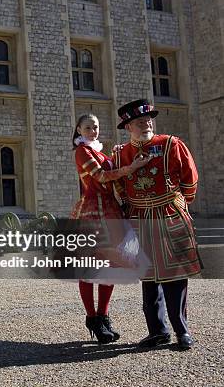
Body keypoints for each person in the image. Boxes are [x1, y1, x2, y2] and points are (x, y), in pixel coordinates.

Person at [112, 99, 201, 351]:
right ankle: (157, 331)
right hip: (139, 218)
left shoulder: (171, 144)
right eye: (140, 122)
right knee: (149, 278)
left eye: (149, 120)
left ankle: (182, 330)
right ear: (128, 127)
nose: (147, 123)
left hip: (169, 214)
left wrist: (178, 202)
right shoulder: (120, 153)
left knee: (175, 275)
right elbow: (118, 185)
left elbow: (189, 179)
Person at [71, 114, 151, 344]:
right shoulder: (82, 151)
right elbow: (101, 176)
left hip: (111, 209)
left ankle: (104, 316)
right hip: (92, 211)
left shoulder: (100, 152)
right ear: (79, 130)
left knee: (110, 265)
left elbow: (114, 179)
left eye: (95, 127)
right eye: (87, 128)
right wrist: (131, 167)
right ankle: (92, 318)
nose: (92, 131)